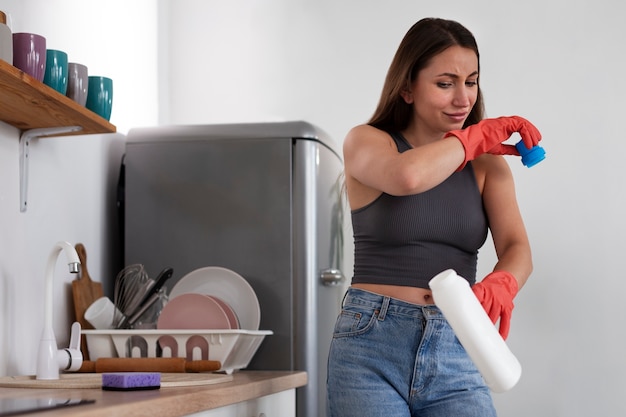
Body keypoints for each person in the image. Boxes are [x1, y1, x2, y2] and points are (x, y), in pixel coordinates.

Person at [326, 17, 541, 417]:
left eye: (471, 82)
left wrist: (504, 282)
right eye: (446, 83)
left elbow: (517, 248)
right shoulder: (368, 141)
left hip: (457, 339)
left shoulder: (488, 167)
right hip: (371, 344)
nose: (464, 99)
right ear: (407, 88)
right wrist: (476, 137)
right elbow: (407, 176)